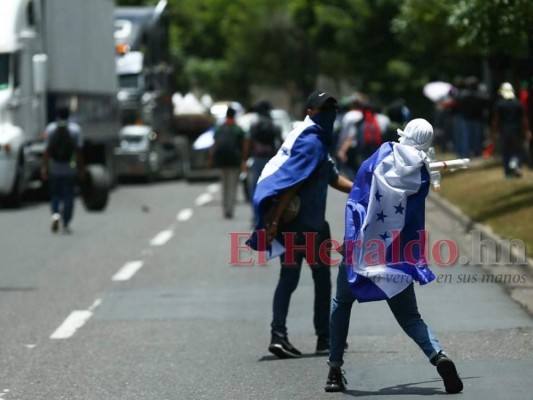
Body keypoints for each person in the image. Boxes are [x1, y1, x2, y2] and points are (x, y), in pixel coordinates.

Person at [325, 119, 463, 394]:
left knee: (341, 303)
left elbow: (357, 203)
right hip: (396, 256)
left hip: (363, 250)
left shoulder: (375, 161)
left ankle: (334, 370)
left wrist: (350, 241)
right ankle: (437, 355)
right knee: (411, 317)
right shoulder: (421, 175)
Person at [248, 90, 353, 358]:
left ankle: (318, 337)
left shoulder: (318, 142)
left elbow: (333, 178)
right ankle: (287, 335)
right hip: (300, 226)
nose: (328, 113)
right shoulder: (310, 142)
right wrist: (273, 221)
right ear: (309, 112)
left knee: (315, 280)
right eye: (322, 108)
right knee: (295, 279)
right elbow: (291, 182)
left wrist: (364, 188)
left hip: (315, 226)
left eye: (332, 108)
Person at [41, 106, 84, 234]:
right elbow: (79, 151)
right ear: (68, 115)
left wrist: (44, 167)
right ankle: (66, 223)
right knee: (68, 195)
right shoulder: (75, 130)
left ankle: (55, 215)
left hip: (54, 168)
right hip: (70, 168)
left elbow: (47, 151)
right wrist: (81, 168)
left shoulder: (50, 129)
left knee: (55, 194)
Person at [242, 99, 282, 219]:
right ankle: (270, 215)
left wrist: (244, 159)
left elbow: (248, 142)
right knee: (272, 188)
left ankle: (256, 216)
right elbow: (280, 143)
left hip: (258, 159)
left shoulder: (255, 124)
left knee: (256, 188)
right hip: (271, 159)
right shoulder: (274, 125)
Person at [208, 106, 246, 218]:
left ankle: (225, 209)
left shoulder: (219, 128)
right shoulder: (238, 129)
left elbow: (214, 145)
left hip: (221, 160)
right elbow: (243, 146)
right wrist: (243, 160)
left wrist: (211, 159)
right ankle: (230, 208)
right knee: (233, 185)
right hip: (234, 160)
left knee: (224, 185)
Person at [492, 82, 532, 178]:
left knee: (506, 151)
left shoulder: (499, 104)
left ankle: (508, 172)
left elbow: (496, 120)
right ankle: (515, 163)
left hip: (504, 130)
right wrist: (527, 131)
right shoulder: (518, 103)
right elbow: (524, 119)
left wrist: (494, 132)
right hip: (516, 130)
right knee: (518, 150)